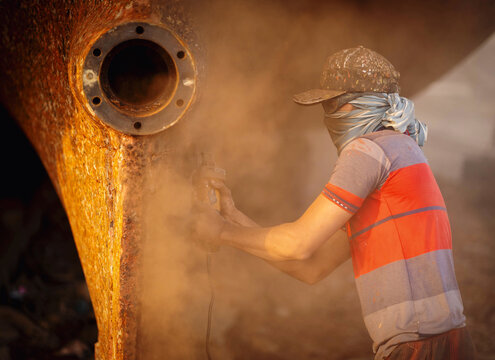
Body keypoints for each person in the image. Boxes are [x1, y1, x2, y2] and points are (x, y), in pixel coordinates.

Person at [193, 46, 475, 360]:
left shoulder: (369, 150)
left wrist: (219, 232)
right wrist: (232, 216)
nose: (328, 117)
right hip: (450, 341)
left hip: (416, 346)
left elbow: (297, 244)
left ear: (363, 105)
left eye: (333, 105)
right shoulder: (401, 152)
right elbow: (311, 267)